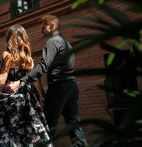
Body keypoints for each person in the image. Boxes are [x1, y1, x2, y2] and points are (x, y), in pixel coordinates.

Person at [6, 15, 87, 147]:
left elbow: (43, 66)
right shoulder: (68, 44)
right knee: (75, 128)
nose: (42, 31)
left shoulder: (52, 42)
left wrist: (21, 82)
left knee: (47, 127)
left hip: (58, 88)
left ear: (53, 26)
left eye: (44, 28)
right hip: (72, 87)